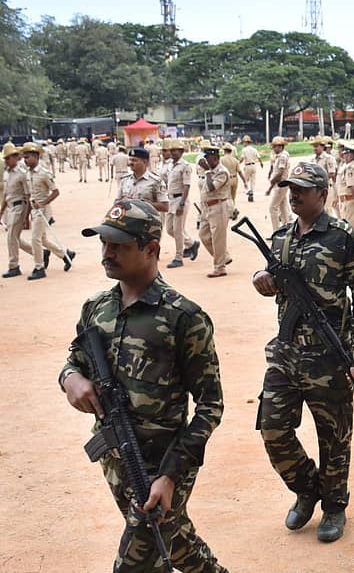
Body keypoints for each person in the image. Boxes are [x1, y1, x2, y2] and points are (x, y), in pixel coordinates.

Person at [59, 198, 227, 572]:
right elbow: (74, 361)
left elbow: (210, 407)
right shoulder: (96, 308)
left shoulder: (184, 317)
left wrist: (169, 476)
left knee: (136, 561)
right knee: (173, 540)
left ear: (151, 249)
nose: (107, 252)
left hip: (164, 464)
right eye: (104, 243)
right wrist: (71, 379)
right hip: (114, 455)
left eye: (119, 245)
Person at [252, 162, 354, 543]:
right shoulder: (281, 236)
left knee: (333, 437)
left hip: (329, 355)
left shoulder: (344, 237)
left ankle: (334, 505)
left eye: (303, 188)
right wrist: (262, 280)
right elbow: (268, 281)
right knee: (272, 429)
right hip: (285, 353)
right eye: (291, 187)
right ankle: (307, 489)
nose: (295, 194)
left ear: (323, 194)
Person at [22, 142, 75, 279]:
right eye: (24, 157)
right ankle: (65, 254)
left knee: (35, 239)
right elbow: (29, 196)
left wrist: (43, 203)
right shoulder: (28, 174)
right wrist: (27, 215)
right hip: (35, 210)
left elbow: (56, 192)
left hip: (43, 210)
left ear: (35, 157)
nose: (25, 160)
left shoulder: (43, 173)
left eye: (27, 157)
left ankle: (39, 268)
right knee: (43, 239)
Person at [164, 139, 200, 268]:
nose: (172, 152)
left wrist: (182, 204)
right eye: (171, 150)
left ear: (181, 152)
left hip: (180, 200)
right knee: (169, 229)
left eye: (175, 150)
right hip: (170, 200)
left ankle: (178, 257)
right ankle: (191, 244)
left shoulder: (185, 166)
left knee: (178, 230)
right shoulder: (169, 165)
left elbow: (186, 186)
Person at [197, 145, 232, 278]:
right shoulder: (211, 171)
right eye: (205, 158)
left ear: (216, 158)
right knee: (203, 235)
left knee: (218, 238)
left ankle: (220, 267)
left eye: (208, 158)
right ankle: (224, 257)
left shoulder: (222, 172)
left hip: (219, 207)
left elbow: (212, 188)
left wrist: (207, 171)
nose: (206, 161)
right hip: (207, 208)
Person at [2, 144, 31, 278]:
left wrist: (26, 216)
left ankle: (14, 265)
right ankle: (41, 253)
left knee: (11, 237)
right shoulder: (7, 173)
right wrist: (1, 211)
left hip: (19, 207)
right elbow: (6, 195)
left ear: (15, 157)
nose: (7, 161)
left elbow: (27, 196)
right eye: (5, 158)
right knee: (15, 238)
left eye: (8, 158)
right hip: (10, 207)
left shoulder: (22, 174)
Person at [118, 149, 169, 214]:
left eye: (134, 160)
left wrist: (141, 204)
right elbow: (116, 202)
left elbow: (165, 207)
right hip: (126, 221)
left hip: (146, 221)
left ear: (145, 162)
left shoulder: (156, 181)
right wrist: (123, 201)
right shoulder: (125, 180)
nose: (130, 163)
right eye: (130, 160)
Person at [267, 136, 293, 231]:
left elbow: (280, 172)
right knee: (283, 207)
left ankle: (276, 230)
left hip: (280, 184)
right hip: (281, 184)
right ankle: (287, 227)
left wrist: (270, 185)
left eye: (275, 146)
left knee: (273, 208)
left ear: (280, 147)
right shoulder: (280, 156)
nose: (273, 148)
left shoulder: (282, 156)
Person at [311, 137, 338, 217]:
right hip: (314, 188)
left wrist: (319, 180)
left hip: (325, 187)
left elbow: (332, 173)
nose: (315, 148)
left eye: (317, 146)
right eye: (314, 146)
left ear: (322, 147)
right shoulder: (312, 159)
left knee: (327, 210)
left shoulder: (328, 158)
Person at [220, 143, 246, 220]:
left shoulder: (221, 160)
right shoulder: (235, 160)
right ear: (231, 151)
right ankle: (231, 211)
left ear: (224, 151)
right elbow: (240, 172)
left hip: (226, 179)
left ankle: (232, 211)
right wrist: (244, 181)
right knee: (233, 197)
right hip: (235, 178)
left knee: (228, 197)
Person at [240, 135, 262, 202]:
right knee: (253, 180)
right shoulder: (254, 149)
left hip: (247, 166)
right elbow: (259, 157)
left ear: (246, 142)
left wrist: (238, 163)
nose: (243, 143)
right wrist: (261, 163)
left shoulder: (244, 150)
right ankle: (252, 192)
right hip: (254, 165)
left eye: (244, 142)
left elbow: (242, 158)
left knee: (246, 180)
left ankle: (248, 191)